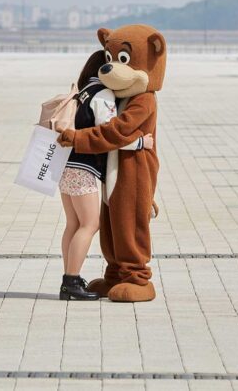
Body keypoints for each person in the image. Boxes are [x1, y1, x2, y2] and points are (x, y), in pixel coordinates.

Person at [58, 50, 151, 301]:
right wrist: (140, 143)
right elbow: (109, 134)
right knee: (90, 224)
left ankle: (70, 277)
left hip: (65, 164)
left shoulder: (82, 90)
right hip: (84, 166)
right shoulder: (103, 94)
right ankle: (71, 282)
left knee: (73, 224)